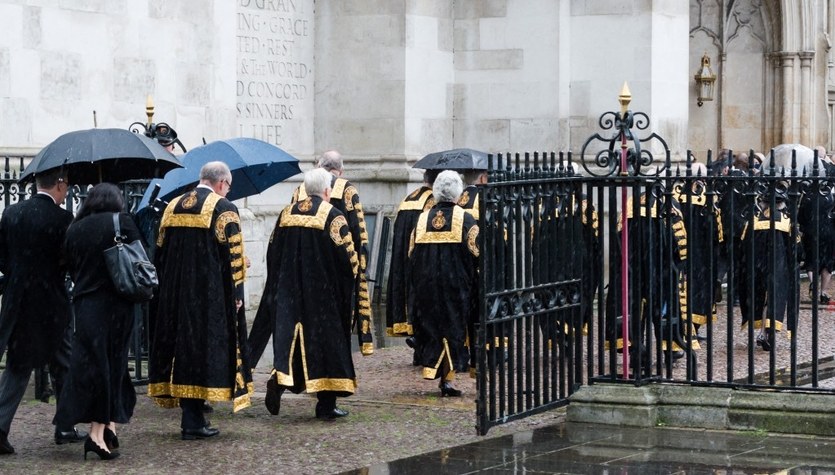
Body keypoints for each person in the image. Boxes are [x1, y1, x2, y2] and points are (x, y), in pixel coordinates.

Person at [148, 161, 253, 440]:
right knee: (202, 352)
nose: (227, 192)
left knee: (181, 351)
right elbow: (233, 260)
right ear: (221, 184)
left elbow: (159, 253)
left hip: (175, 294)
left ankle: (191, 416)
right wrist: (237, 296)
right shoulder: (224, 209)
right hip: (209, 294)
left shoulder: (172, 206)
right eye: (228, 187)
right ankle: (193, 421)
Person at [257, 168, 360, 419]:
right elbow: (348, 259)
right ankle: (325, 405)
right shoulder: (333, 216)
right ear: (327, 191)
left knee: (290, 339)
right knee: (325, 346)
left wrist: (280, 283)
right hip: (323, 294)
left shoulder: (286, 213)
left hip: (289, 288)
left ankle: (279, 378)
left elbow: (273, 251)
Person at [0, 167, 87, 454]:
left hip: (18, 301)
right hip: (51, 302)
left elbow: (3, 258)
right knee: (64, 362)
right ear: (60, 185)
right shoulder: (63, 219)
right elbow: (70, 261)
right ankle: (65, 424)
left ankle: (1, 426)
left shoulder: (11, 214)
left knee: (18, 365)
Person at [54, 183, 142, 460]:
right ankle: (96, 435)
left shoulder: (75, 228)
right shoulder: (122, 222)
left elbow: (65, 266)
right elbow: (141, 260)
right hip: (117, 304)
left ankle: (109, 426)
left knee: (96, 367)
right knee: (111, 368)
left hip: (85, 305)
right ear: (116, 200)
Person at [288, 150, 374, 355]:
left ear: (319, 165)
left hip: (305, 262)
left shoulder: (301, 188)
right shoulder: (347, 189)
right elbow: (358, 231)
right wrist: (359, 265)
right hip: (335, 262)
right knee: (337, 314)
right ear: (340, 171)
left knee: (309, 312)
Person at [407, 170, 480, 397]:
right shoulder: (466, 219)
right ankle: (447, 377)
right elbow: (477, 253)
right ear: (457, 194)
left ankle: (440, 373)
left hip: (427, 284)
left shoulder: (422, 219)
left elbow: (411, 253)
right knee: (453, 330)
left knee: (433, 329)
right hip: (455, 286)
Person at [386, 170, 437, 357]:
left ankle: (417, 345)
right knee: (424, 302)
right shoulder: (432, 200)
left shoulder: (409, 198)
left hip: (402, 257)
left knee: (410, 298)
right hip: (420, 256)